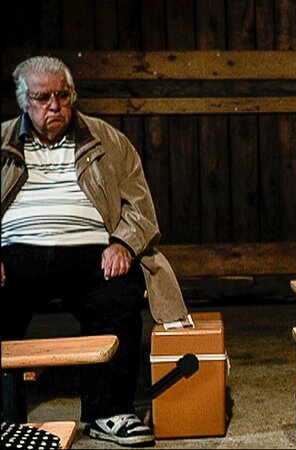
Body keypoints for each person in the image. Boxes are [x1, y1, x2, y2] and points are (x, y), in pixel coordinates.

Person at [1, 56, 188, 446]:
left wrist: (122, 243)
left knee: (119, 292)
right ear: (23, 102)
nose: (55, 106)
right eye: (42, 98)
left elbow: (140, 208)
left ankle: (109, 412)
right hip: (14, 256)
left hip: (92, 253)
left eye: (62, 95)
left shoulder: (107, 140)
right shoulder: (2, 141)